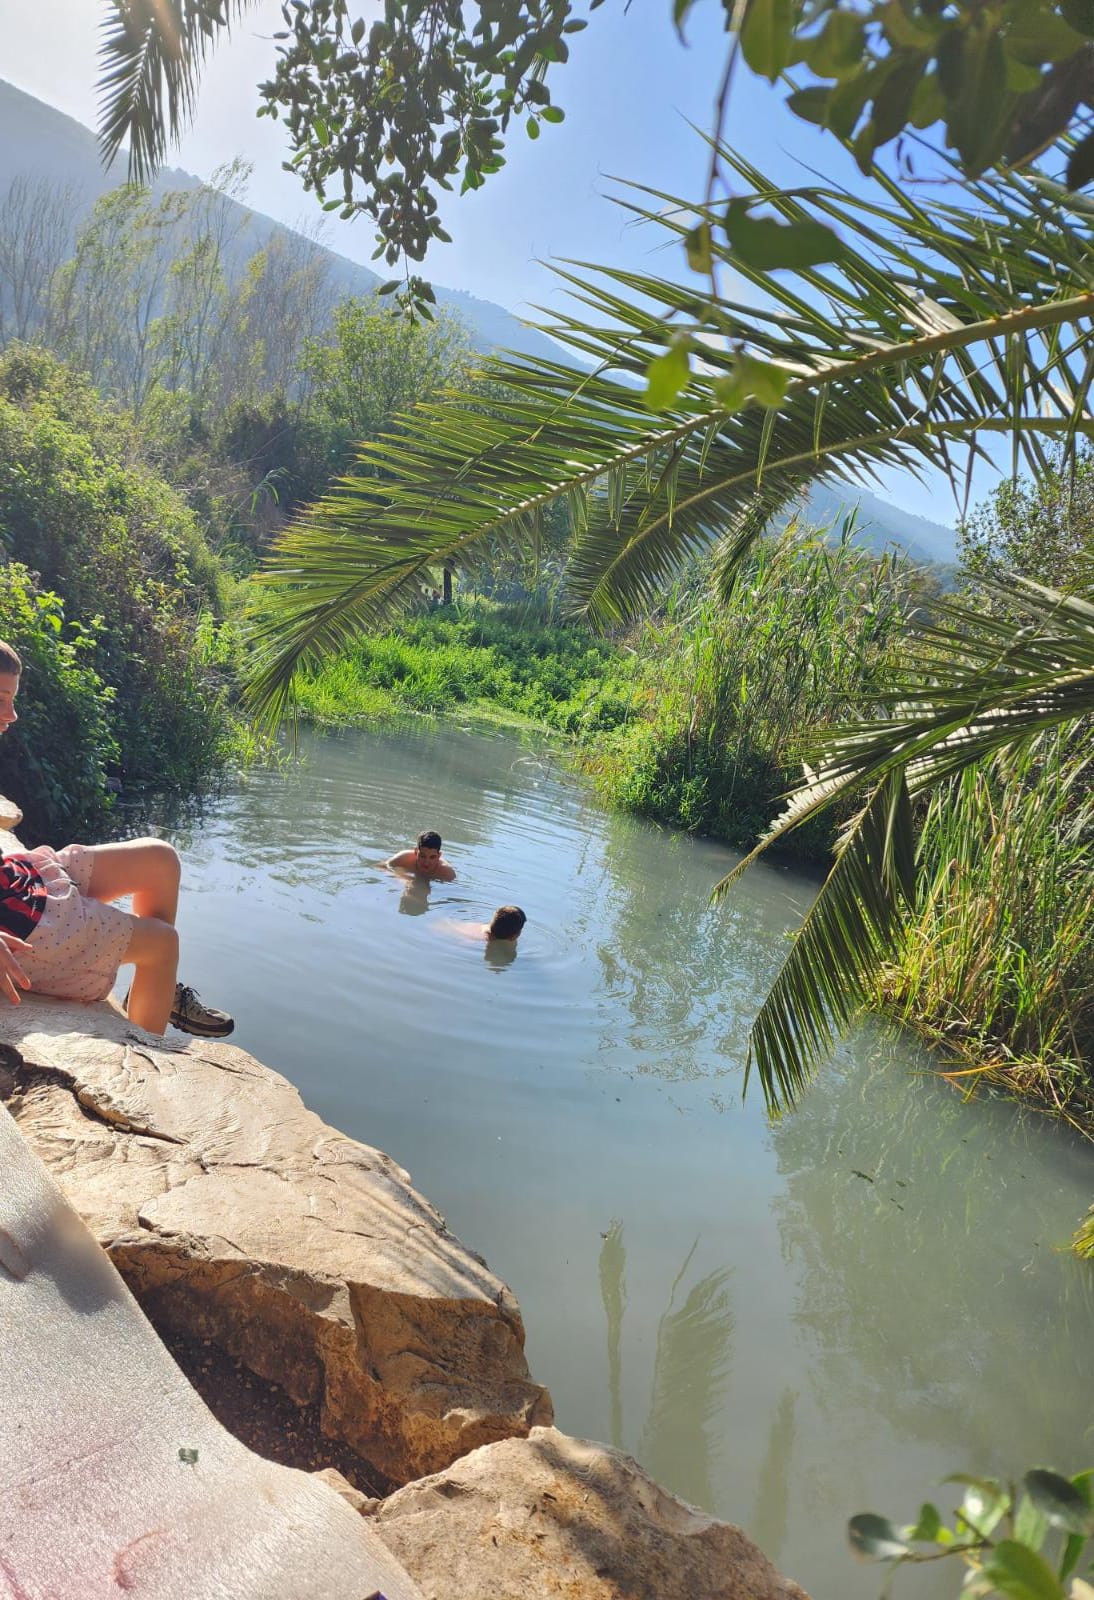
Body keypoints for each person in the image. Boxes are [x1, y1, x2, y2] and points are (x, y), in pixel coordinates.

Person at [0, 641, 233, 1038]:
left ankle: (153, 992)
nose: (12, 714)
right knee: (163, 944)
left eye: (12, 699)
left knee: (161, 860)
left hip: (18, 884)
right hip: (18, 928)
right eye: (1, 700)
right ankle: (144, 1045)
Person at [385, 829, 456, 882]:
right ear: (416, 852)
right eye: (422, 856)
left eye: (432, 857)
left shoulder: (447, 873)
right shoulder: (403, 858)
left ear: (439, 856)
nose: (426, 862)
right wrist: (402, 879)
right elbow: (383, 867)